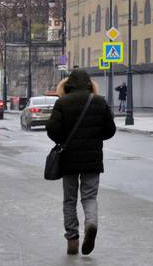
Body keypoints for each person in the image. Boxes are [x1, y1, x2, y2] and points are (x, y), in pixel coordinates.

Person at [47, 69, 116, 256]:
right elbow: (110, 130)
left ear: (68, 85)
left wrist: (63, 140)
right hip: (92, 159)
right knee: (90, 197)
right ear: (89, 84)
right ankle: (91, 223)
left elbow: (52, 130)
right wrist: (94, 138)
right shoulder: (99, 102)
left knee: (70, 199)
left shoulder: (62, 102)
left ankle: (72, 240)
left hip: (68, 159)